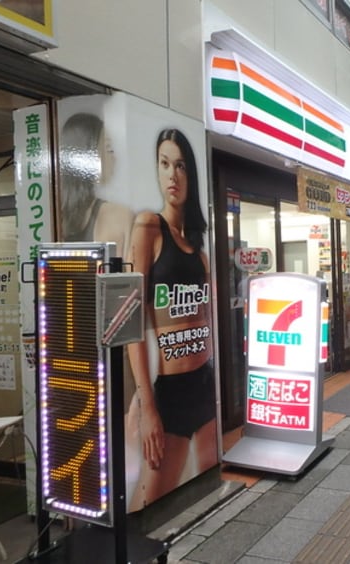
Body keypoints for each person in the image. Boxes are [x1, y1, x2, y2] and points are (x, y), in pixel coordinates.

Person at [127, 128, 217, 511]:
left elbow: (206, 318)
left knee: (207, 488)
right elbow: (131, 319)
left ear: (190, 174)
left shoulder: (197, 245)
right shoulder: (149, 225)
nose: (172, 175)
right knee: (149, 504)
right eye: (164, 164)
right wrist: (147, 405)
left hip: (205, 380)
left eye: (180, 165)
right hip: (172, 392)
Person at [59, 112, 134, 254]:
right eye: (109, 149)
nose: (115, 158)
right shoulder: (118, 215)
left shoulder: (56, 217)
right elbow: (128, 274)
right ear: (88, 155)